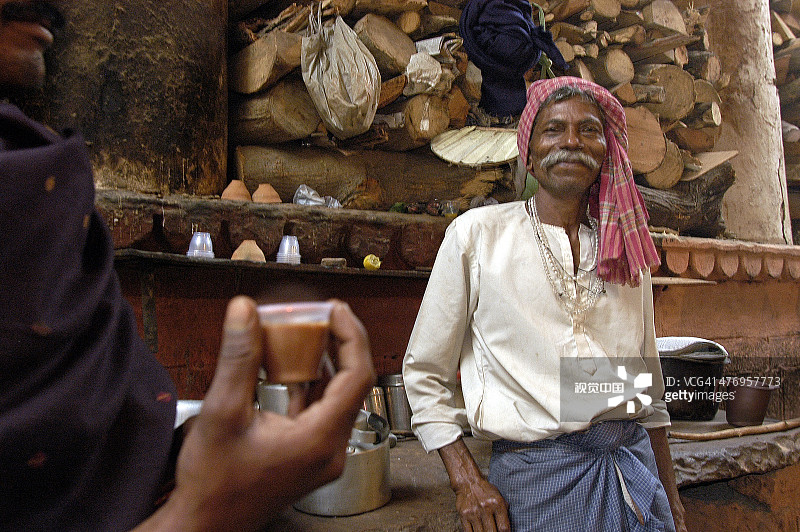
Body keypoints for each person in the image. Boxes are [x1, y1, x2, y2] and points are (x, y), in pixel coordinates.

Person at [0, 1, 375, 530]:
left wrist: (199, 448)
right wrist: (203, 511)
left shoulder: (39, 179)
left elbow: (76, 454)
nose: (53, 7)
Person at [403, 76, 688, 532]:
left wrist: (670, 499)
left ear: (606, 152)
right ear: (529, 153)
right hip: (535, 482)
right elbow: (424, 374)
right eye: (554, 129)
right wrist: (466, 481)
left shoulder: (625, 249)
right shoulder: (477, 237)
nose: (572, 142)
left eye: (589, 130)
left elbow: (646, 393)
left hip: (632, 474)